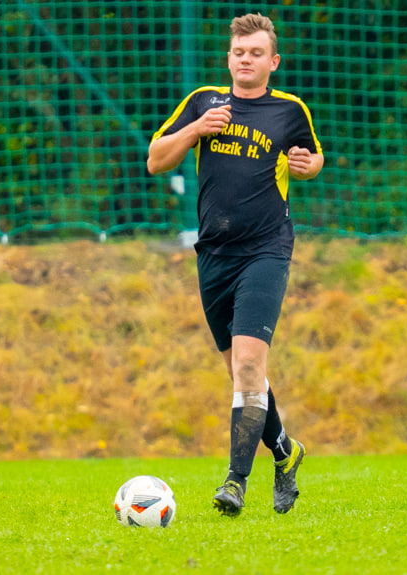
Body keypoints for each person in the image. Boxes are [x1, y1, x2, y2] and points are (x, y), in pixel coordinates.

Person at [147, 13, 324, 516]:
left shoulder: (289, 111)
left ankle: (235, 482)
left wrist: (311, 166)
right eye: (237, 52)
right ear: (230, 58)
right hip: (214, 256)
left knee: (250, 363)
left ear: (273, 61)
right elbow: (156, 160)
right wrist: (196, 130)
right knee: (241, 374)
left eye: (255, 53)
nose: (245, 60)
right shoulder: (203, 103)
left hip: (267, 249)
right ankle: (286, 452)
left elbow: (311, 158)